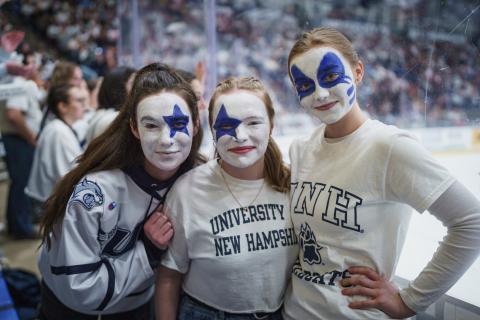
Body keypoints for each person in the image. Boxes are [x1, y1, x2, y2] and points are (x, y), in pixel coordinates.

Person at [282, 27, 480, 319]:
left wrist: (409, 302)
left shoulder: (389, 147)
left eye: (330, 77)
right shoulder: (301, 149)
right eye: (304, 84)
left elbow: (471, 223)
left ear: (358, 71)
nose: (319, 93)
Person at [37, 63, 203, 320]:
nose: (167, 139)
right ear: (134, 128)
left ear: (196, 124)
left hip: (137, 306)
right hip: (71, 311)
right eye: (151, 126)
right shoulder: (94, 192)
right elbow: (79, 290)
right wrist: (147, 250)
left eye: (179, 123)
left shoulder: (199, 178)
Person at [154, 77, 297, 320]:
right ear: (212, 129)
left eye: (253, 123)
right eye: (226, 125)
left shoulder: (292, 183)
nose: (240, 136)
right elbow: (169, 276)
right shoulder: (188, 190)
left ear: (271, 125)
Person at [0, 44, 44, 239]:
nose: (36, 67)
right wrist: (31, 137)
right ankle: (22, 227)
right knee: (22, 184)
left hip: (17, 139)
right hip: (19, 140)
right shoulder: (19, 83)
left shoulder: (19, 83)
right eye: (33, 63)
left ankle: (16, 224)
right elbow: (14, 114)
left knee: (19, 183)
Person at [25, 84, 87, 216]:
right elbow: (69, 175)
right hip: (50, 202)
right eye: (79, 101)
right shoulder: (59, 132)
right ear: (62, 106)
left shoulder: (58, 127)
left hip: (48, 199)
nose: (84, 105)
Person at [84, 66, 136, 144]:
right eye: (133, 83)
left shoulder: (102, 113)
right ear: (118, 87)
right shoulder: (114, 118)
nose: (138, 87)